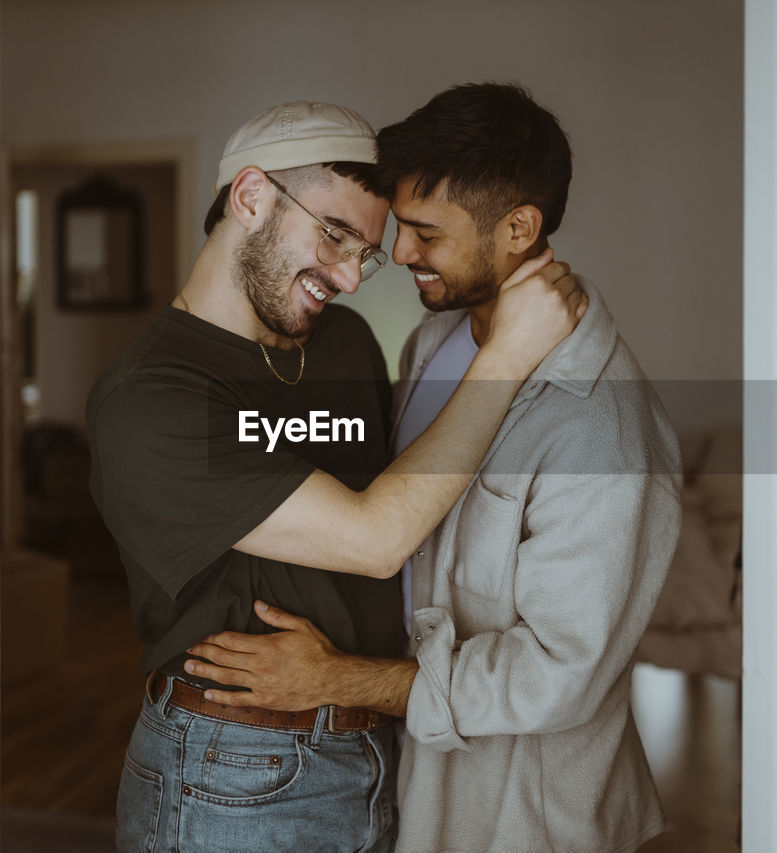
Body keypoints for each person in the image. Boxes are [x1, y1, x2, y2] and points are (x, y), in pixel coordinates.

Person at [184, 83, 683, 853]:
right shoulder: (434, 344)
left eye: (424, 232)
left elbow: (556, 675)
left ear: (520, 227)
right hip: (403, 781)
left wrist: (340, 679)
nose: (401, 255)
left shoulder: (599, 427)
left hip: (526, 816)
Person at [86, 100, 585, 853]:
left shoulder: (342, 341)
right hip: (232, 771)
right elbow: (376, 538)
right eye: (334, 233)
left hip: (380, 750)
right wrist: (507, 359)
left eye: (368, 251)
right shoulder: (150, 399)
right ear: (250, 197)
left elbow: (411, 497)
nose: (352, 277)